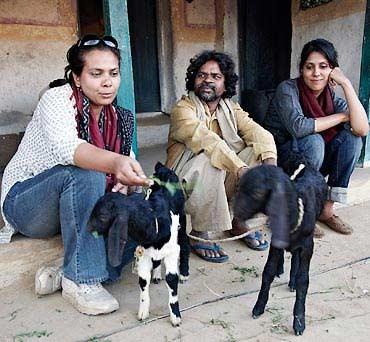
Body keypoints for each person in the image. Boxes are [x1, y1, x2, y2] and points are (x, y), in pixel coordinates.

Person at [0, 34, 151, 315]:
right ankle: (81, 280)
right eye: (96, 74)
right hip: (28, 203)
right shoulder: (57, 99)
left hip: (76, 206)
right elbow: (69, 149)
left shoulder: (120, 118)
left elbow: (124, 166)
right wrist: (114, 164)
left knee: (139, 209)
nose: (107, 82)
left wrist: (127, 185)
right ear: (77, 78)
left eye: (113, 73)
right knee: (87, 174)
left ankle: (66, 268)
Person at [166, 51, 277, 263]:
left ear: (225, 85)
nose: (207, 80)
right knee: (210, 158)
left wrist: (270, 169)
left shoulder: (231, 108)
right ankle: (201, 231)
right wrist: (241, 170)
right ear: (194, 80)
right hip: (182, 185)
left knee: (256, 151)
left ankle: (240, 220)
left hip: (220, 182)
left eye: (215, 77)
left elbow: (259, 133)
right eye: (201, 75)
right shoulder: (183, 109)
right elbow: (209, 142)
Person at [264, 38, 369, 235]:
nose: (316, 73)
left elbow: (362, 129)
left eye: (323, 66)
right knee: (314, 140)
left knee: (352, 140)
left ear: (332, 70)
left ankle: (326, 210)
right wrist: (342, 116)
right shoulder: (287, 89)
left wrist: (346, 84)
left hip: (312, 159)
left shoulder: (331, 97)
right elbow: (299, 127)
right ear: (301, 69)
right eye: (309, 67)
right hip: (282, 161)